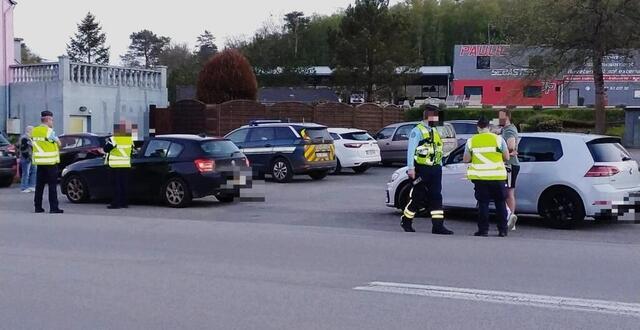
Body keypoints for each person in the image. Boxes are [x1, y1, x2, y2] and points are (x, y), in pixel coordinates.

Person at [401, 105, 454, 235]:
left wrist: (440, 164)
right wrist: (411, 168)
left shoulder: (434, 130)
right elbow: (411, 150)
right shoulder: (417, 131)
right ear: (429, 117)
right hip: (421, 169)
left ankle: (438, 226)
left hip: (435, 169)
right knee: (418, 197)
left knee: (436, 196)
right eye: (436, 117)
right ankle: (406, 220)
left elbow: (437, 149)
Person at [463, 116, 510, 237]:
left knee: (483, 204)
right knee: (500, 204)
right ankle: (503, 230)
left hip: (480, 178)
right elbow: (507, 157)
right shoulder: (498, 140)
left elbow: (466, 159)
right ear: (489, 127)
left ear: (478, 127)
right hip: (498, 177)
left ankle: (483, 230)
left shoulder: (471, 141)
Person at [32, 111, 63, 214]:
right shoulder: (49, 131)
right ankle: (54, 208)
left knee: (39, 185)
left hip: (40, 162)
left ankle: (38, 207)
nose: (52, 122)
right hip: (50, 163)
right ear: (48, 119)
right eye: (52, 120)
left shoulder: (34, 131)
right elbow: (59, 143)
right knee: (52, 186)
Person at [103, 121, 133, 209]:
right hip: (126, 165)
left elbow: (106, 149)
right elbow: (131, 152)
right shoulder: (129, 139)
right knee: (124, 185)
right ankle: (124, 203)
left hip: (115, 165)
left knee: (116, 185)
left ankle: (116, 203)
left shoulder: (114, 139)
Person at [499, 109, 520, 231]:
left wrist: (506, 152)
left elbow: (511, 147)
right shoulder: (505, 130)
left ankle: (510, 219)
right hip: (508, 165)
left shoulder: (510, 130)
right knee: (506, 192)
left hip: (510, 165)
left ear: (507, 117)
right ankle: (508, 217)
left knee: (508, 193)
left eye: (501, 117)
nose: (499, 119)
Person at [19, 126, 37, 193]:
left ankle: (31, 186)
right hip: (26, 157)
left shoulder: (31, 138)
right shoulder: (24, 138)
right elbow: (23, 149)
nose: (33, 132)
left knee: (34, 171)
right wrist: (27, 157)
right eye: (32, 130)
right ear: (29, 130)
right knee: (26, 173)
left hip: (32, 157)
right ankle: (24, 187)